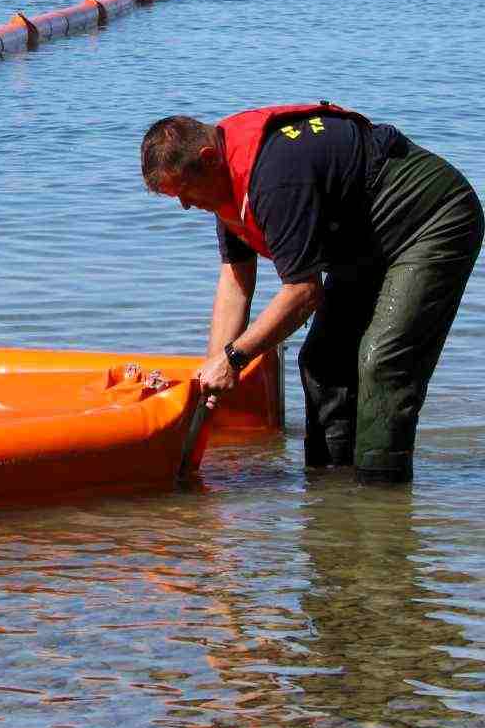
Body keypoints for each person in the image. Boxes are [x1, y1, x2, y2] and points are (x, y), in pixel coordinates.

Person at [140, 104, 481, 482]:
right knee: (322, 361)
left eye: (185, 191)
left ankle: (382, 495)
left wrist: (234, 358)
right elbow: (236, 283)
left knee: (383, 361)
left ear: (208, 158)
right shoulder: (226, 182)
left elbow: (303, 293)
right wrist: (212, 376)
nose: (186, 205)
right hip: (364, 241)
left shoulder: (274, 179)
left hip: (432, 218)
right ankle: (330, 493)